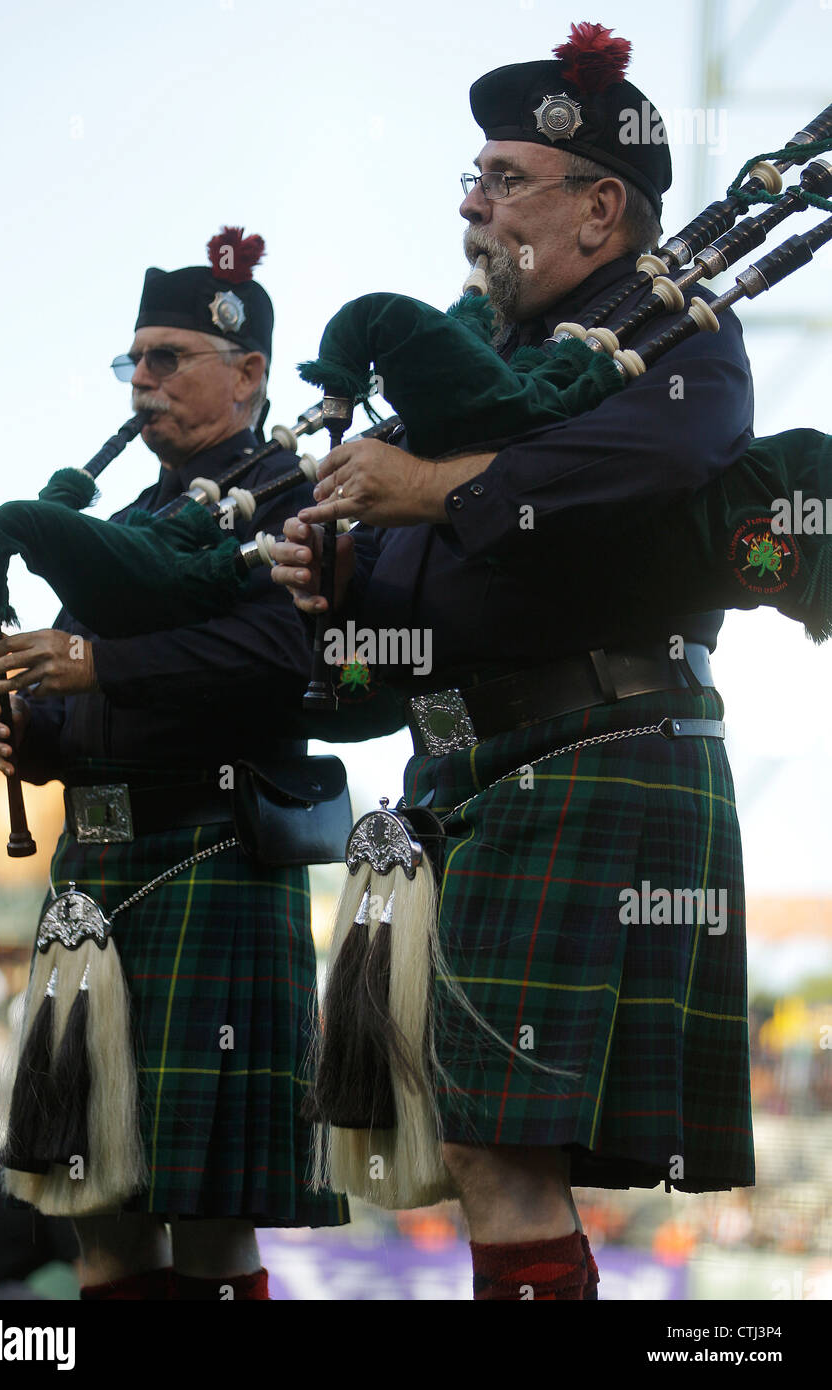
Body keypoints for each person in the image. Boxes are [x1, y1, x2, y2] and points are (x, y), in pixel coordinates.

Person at [271, 23, 755, 1301]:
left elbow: (643, 467)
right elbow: (390, 663)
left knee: (498, 1142)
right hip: (463, 777)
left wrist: (426, 488)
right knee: (475, 1146)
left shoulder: (679, 342)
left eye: (499, 178)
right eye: (470, 178)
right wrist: (334, 596)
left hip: (595, 759)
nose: (469, 203)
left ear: (600, 208)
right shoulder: (473, 376)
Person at [0, 228, 350, 1300]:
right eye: (132, 362)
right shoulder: (128, 521)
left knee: (210, 1219)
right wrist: (28, 733)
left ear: (249, 371)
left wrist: (97, 659)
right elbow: (86, 700)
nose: (142, 383)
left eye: (166, 358)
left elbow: (282, 656)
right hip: (95, 876)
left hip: (210, 858)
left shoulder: (287, 495)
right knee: (99, 1219)